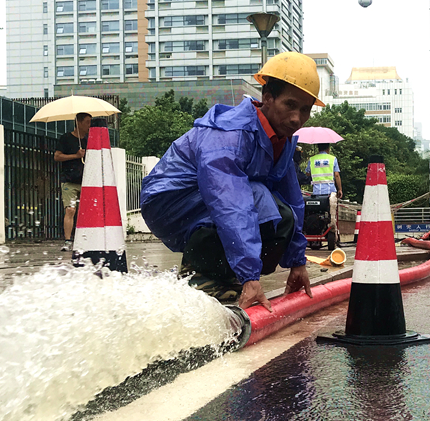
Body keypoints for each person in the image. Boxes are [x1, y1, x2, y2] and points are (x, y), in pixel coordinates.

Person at [141, 52, 322, 310]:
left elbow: (293, 200)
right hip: (168, 200)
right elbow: (230, 203)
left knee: (283, 215)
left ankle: (226, 276)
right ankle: (201, 277)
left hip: (212, 197)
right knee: (257, 199)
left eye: (305, 110)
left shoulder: (284, 139)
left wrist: (297, 262)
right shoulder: (230, 135)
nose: (297, 118)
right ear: (267, 98)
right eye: (290, 105)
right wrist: (251, 277)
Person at [54, 112, 90, 251]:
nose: (89, 125)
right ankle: (68, 240)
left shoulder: (88, 140)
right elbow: (57, 156)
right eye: (87, 122)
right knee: (70, 210)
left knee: (87, 210)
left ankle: (86, 239)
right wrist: (76, 155)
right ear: (79, 122)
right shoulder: (66, 138)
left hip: (86, 181)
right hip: (69, 180)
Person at [305, 142, 343, 244]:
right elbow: (337, 175)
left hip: (316, 193)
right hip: (329, 192)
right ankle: (332, 232)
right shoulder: (332, 159)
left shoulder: (312, 160)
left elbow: (307, 173)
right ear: (328, 148)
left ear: (318, 148)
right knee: (331, 215)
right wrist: (340, 189)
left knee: (313, 212)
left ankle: (313, 231)